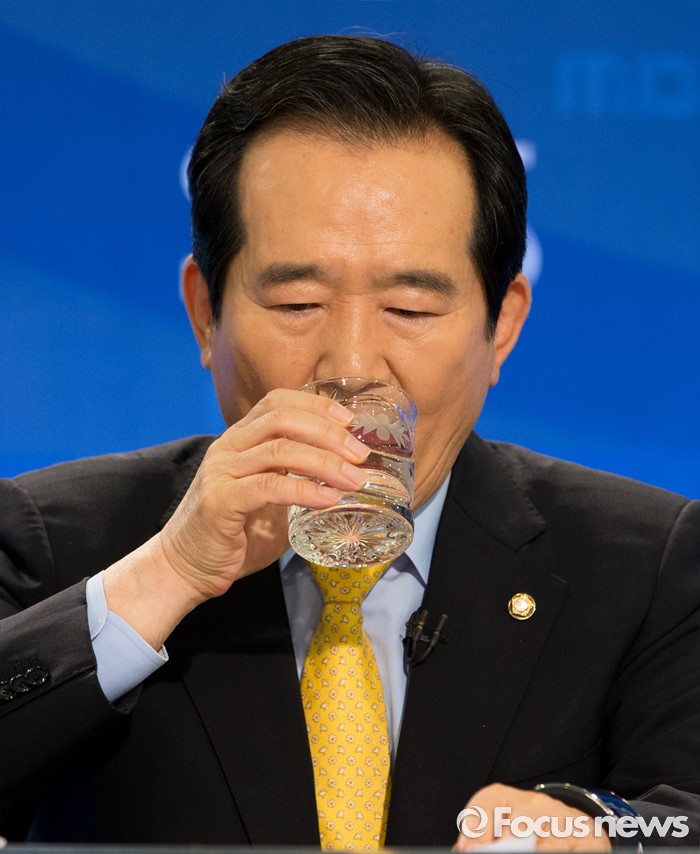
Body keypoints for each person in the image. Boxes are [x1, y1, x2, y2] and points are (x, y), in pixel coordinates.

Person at [0, 35, 698, 851]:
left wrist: (609, 833)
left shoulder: (648, 566)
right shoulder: (54, 541)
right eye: (298, 304)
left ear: (502, 327)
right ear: (205, 314)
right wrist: (171, 574)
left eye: (410, 310)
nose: (354, 367)